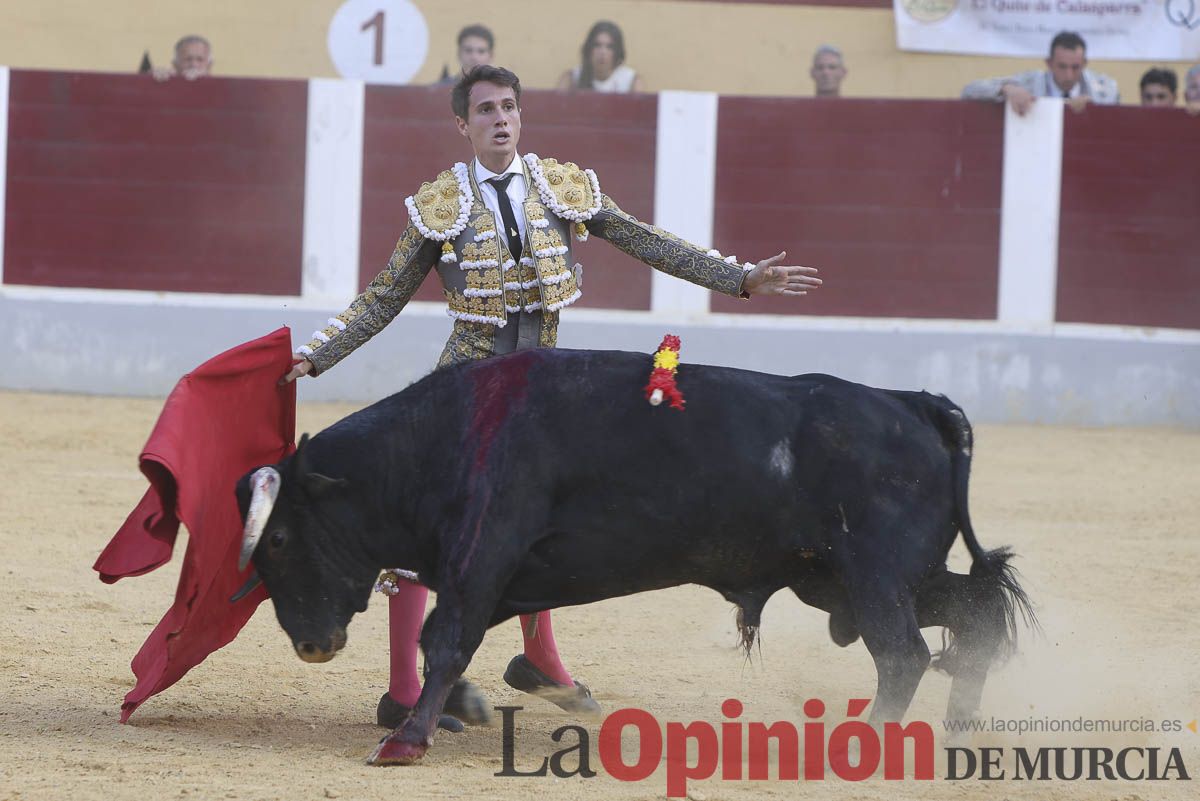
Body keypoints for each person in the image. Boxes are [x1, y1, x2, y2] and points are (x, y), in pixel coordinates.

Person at [282, 64, 822, 731]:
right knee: (419, 528)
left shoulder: (560, 188)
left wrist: (738, 277)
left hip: (543, 398)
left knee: (542, 521)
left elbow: (644, 238)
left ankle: (540, 658)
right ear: (463, 124)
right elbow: (383, 295)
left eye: (508, 106)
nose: (500, 119)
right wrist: (318, 354)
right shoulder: (440, 205)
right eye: (485, 110)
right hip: (466, 395)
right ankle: (402, 688)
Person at [961, 31, 1118, 116]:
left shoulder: (1104, 90)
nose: (1069, 75)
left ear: (1084, 64)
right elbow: (968, 91)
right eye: (1062, 67)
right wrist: (1006, 89)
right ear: (1048, 63)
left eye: (1075, 67)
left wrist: (1095, 109)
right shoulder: (1029, 83)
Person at [556, 21, 643, 93]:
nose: (602, 52)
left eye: (609, 47)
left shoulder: (631, 81)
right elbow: (556, 110)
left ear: (617, 52)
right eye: (597, 45)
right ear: (589, 49)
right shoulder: (571, 78)